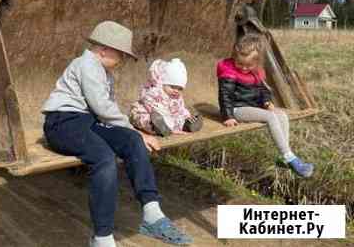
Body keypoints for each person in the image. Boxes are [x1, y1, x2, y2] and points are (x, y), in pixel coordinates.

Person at [42, 21, 193, 247]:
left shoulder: (106, 74)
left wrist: (134, 133)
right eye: (120, 54)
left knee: (131, 141)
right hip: (63, 122)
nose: (122, 60)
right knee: (103, 157)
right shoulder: (86, 64)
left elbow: (106, 112)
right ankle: (102, 238)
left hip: (88, 121)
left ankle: (152, 212)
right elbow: (103, 107)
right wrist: (136, 130)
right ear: (104, 49)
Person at [217, 33, 314, 178]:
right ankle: (290, 157)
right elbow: (225, 95)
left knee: (282, 115)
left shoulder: (256, 72)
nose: (243, 68)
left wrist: (266, 101)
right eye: (240, 64)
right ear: (234, 58)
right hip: (236, 109)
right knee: (270, 117)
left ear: (256, 62)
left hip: (252, 106)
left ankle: (284, 156)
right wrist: (228, 116)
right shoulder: (228, 71)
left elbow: (263, 89)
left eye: (248, 65)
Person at [130, 59, 201, 136]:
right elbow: (152, 107)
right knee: (140, 116)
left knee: (181, 117)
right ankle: (157, 128)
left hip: (170, 117)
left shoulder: (177, 97)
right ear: (163, 83)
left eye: (180, 88)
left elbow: (181, 109)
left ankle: (187, 125)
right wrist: (169, 124)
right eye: (173, 87)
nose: (176, 91)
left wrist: (186, 116)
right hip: (153, 113)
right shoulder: (154, 92)